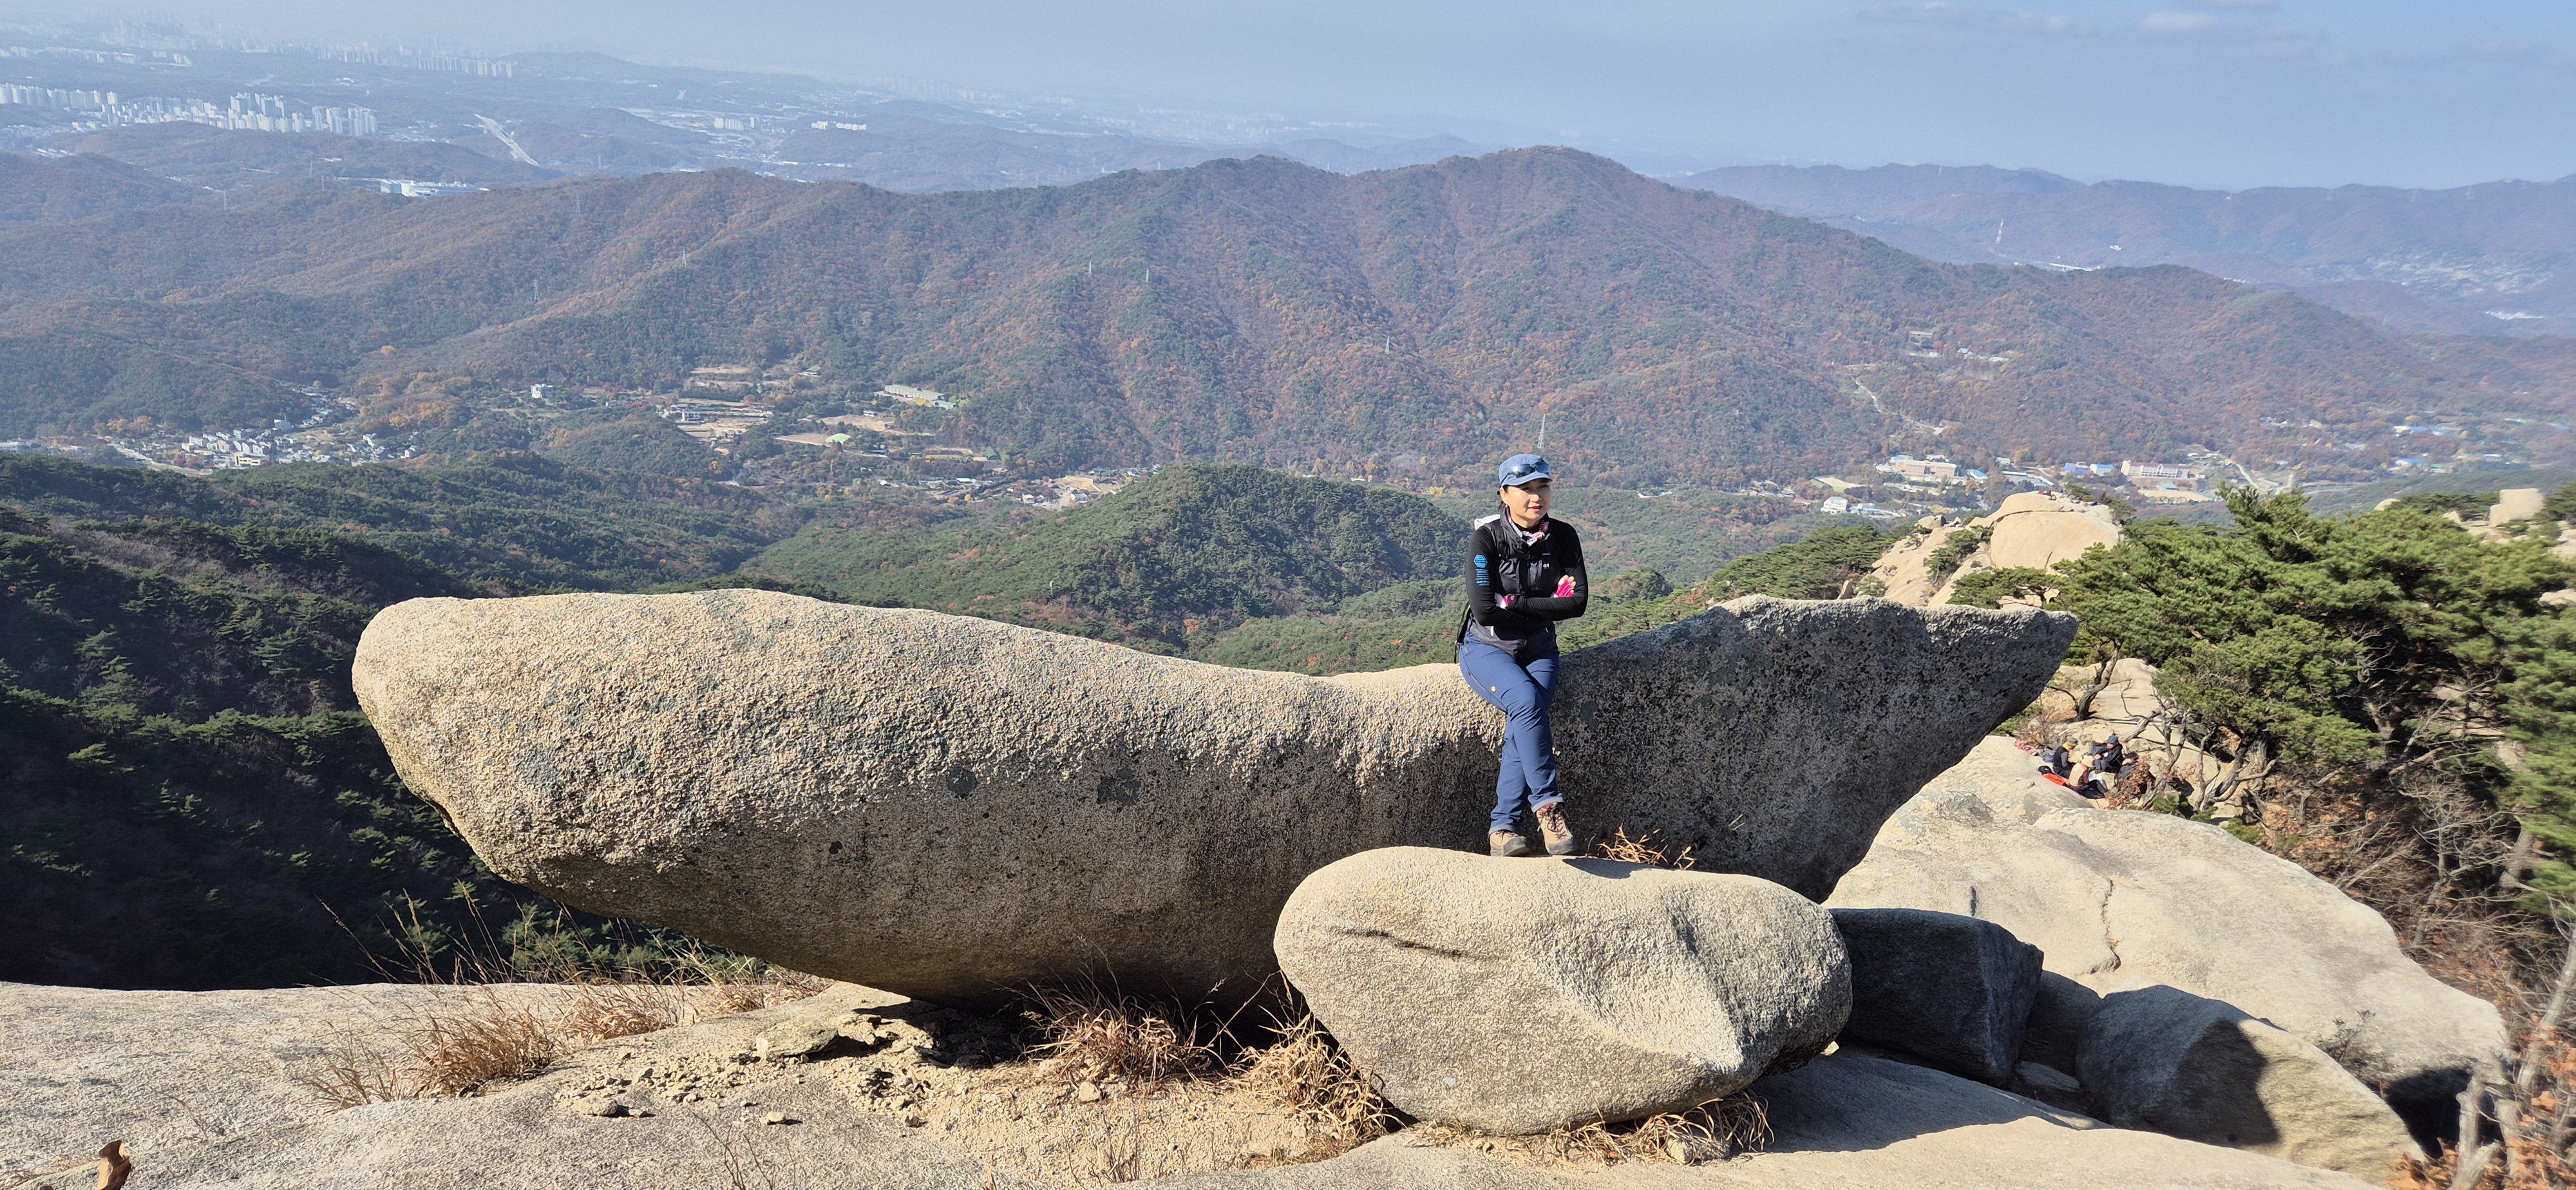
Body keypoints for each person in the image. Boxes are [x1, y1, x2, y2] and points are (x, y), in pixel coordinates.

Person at [1455, 453, 1589, 857]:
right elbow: (1484, 611)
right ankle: (1549, 808)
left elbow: (1577, 604)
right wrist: (1547, 604)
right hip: (1487, 648)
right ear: (1504, 494)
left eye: (1542, 486)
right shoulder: (1487, 540)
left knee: (1525, 719)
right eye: (1525, 489)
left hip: (1539, 648)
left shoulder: (1563, 536)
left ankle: (1502, 829)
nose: (1536, 496)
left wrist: (1513, 602)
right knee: (1528, 703)